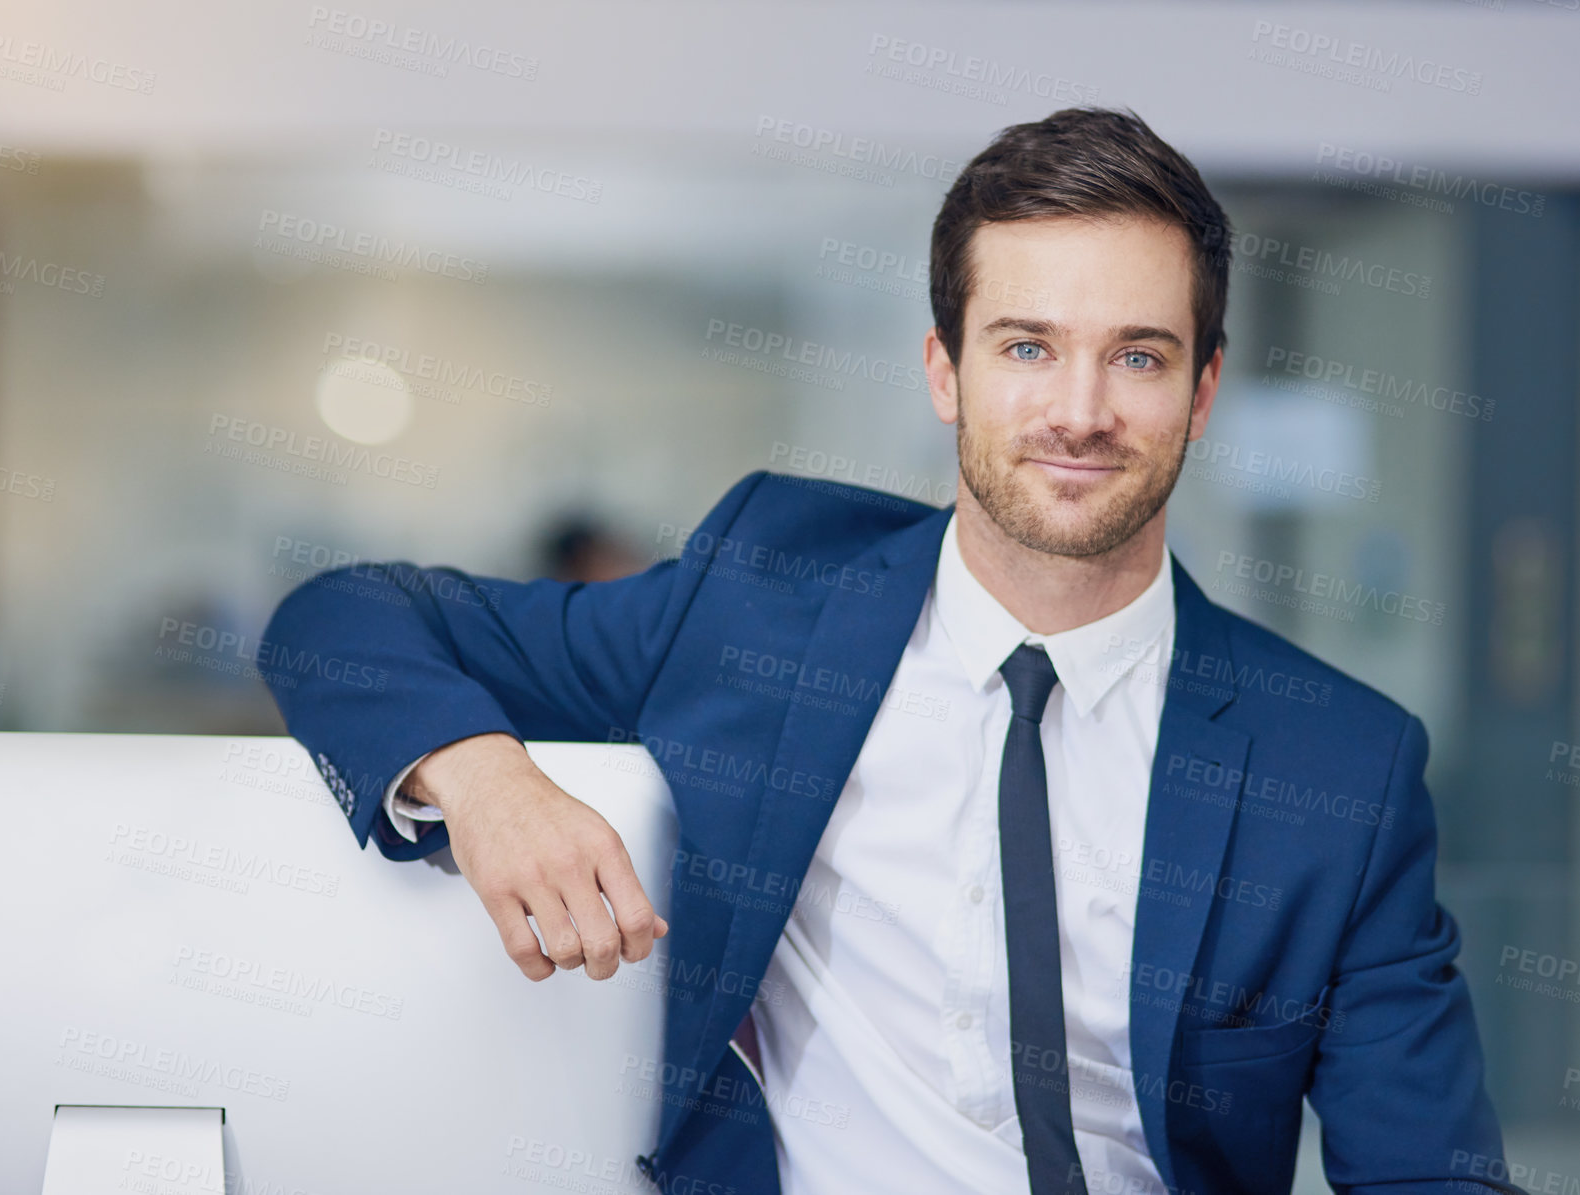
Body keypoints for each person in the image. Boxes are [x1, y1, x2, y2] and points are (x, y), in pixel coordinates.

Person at [259, 107, 1518, 1195]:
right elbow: (345, 616)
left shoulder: (1339, 771)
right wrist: (484, 778)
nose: (1077, 412)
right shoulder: (757, 603)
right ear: (943, 371)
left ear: (1200, 390)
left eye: (1135, 356)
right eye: (1024, 347)